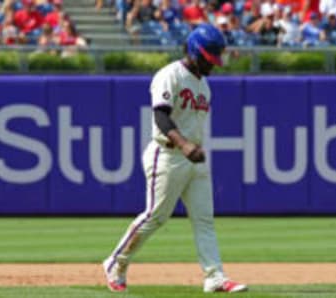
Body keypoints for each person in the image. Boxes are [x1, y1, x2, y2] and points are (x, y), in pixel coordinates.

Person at [102, 23, 248, 294]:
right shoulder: (171, 75)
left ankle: (214, 276)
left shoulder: (204, 86)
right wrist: (184, 145)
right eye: (209, 58)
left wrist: (192, 149)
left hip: (194, 157)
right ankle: (116, 262)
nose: (213, 65)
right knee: (155, 217)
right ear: (195, 52)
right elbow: (161, 115)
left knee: (204, 220)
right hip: (167, 153)